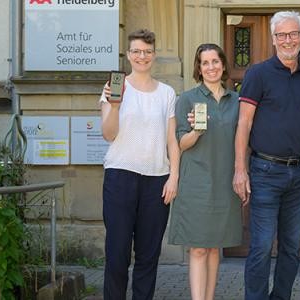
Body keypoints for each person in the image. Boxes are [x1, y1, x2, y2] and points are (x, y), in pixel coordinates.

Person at [232, 10, 300, 300]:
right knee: (260, 246)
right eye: (282, 35)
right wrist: (240, 169)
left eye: (294, 34)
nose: (288, 40)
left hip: (299, 175)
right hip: (264, 172)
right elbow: (244, 123)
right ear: (274, 39)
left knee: (291, 247)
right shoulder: (257, 75)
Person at [100, 29, 179, 299]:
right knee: (117, 253)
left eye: (147, 51)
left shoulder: (167, 93)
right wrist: (115, 105)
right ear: (128, 55)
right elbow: (109, 134)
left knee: (148, 255)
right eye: (136, 51)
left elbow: (172, 140)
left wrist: (174, 177)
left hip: (157, 180)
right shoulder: (114, 87)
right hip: (120, 176)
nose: (141, 56)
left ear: (153, 55)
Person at [167, 43, 241, 300]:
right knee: (198, 249)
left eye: (215, 61)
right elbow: (180, 143)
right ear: (198, 67)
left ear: (223, 64)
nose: (211, 67)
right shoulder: (187, 98)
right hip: (196, 182)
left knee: (213, 249)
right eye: (205, 62)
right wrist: (196, 131)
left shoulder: (236, 100)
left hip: (225, 183)